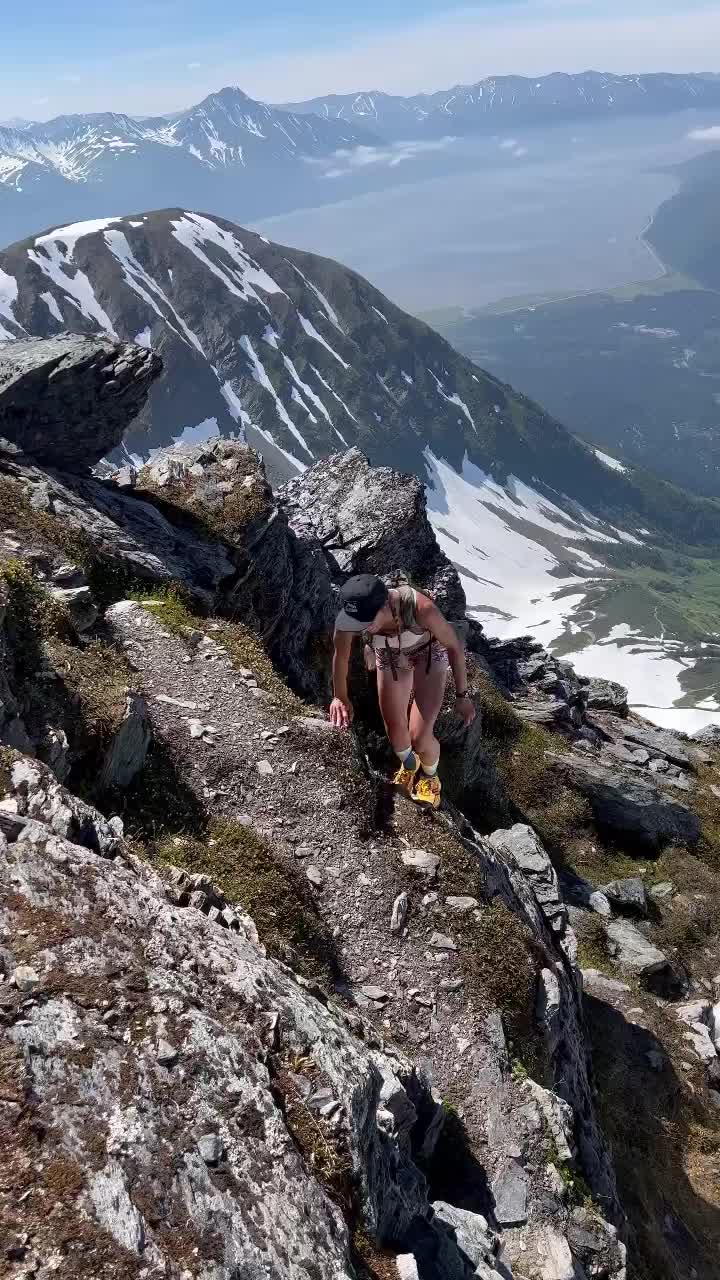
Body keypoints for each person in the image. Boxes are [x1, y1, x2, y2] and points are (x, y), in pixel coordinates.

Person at [329, 573, 475, 809]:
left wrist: (462, 696)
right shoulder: (351, 617)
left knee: (420, 736)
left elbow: (454, 647)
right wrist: (339, 696)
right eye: (355, 621)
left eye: (365, 621)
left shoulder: (421, 609)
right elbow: (341, 656)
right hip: (389, 655)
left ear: (386, 602)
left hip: (428, 654)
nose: (358, 628)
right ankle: (409, 766)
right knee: (395, 732)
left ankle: (430, 778)